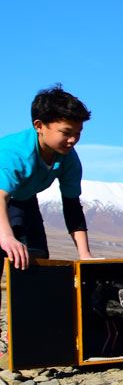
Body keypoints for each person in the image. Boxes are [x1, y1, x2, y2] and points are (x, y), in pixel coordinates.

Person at [1, 84, 95, 272]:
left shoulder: (68, 157)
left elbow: (72, 205)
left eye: (78, 133)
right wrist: (7, 237)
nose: (73, 140)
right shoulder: (14, 153)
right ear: (39, 126)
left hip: (23, 201)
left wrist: (85, 255)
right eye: (66, 133)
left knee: (37, 260)